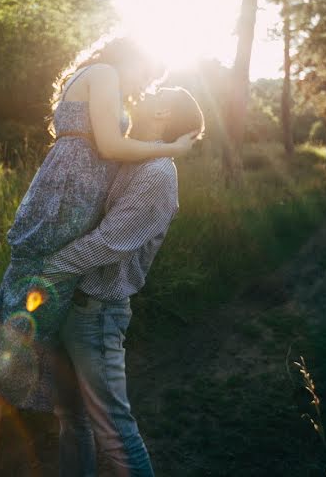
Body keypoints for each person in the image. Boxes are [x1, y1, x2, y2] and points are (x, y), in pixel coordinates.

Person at [0, 39, 199, 460]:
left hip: (72, 194)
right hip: (66, 194)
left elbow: (113, 152)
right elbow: (112, 148)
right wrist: (172, 148)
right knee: (32, 289)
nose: (142, 86)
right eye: (147, 75)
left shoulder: (105, 83)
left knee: (37, 298)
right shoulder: (106, 75)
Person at [44, 86, 205, 477]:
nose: (142, 92)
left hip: (96, 315)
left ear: (163, 111)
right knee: (72, 421)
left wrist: (47, 268)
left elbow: (110, 242)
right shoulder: (131, 155)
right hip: (71, 303)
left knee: (113, 432)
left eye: (156, 91)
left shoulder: (158, 173)